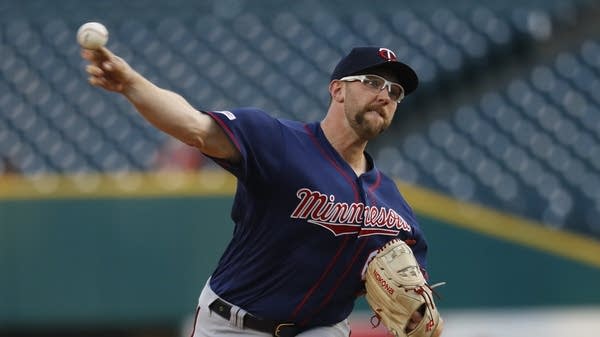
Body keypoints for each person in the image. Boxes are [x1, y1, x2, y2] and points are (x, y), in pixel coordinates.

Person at [81, 45, 442, 337]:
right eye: (372, 81)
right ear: (337, 89)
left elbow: (415, 292)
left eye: (395, 92)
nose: (385, 95)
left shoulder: (393, 205)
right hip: (234, 323)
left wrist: (416, 314)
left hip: (321, 329)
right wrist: (130, 83)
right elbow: (194, 127)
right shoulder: (279, 142)